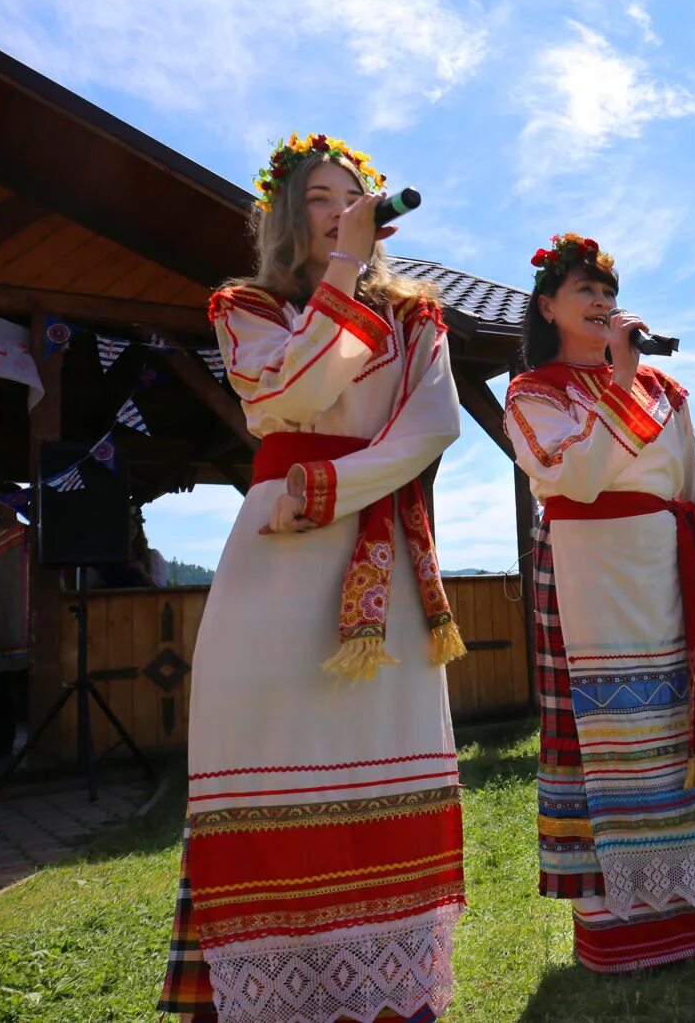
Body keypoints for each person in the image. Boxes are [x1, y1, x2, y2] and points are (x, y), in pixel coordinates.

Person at [159, 133, 467, 1022]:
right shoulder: (247, 306)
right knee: (270, 751)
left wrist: (331, 487)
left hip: (366, 551)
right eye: (323, 197)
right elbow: (288, 394)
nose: (345, 209)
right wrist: (340, 273)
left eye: (354, 196)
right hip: (277, 568)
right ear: (289, 215)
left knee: (381, 755)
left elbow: (429, 428)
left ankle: (387, 994)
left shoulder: (418, 316)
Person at [504, 232, 695, 972]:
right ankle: (622, 923)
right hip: (590, 582)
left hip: (667, 576)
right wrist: (620, 380)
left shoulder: (666, 392)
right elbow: (573, 473)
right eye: (584, 290)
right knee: (612, 736)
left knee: (679, 728)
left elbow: (693, 485)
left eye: (608, 292)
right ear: (549, 306)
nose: (600, 302)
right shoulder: (533, 394)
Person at [0, 489, 27, 757]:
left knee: (16, 689)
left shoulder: (32, 537)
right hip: (2, 621)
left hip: (24, 622)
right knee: (1, 691)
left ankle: (8, 743)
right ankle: (3, 743)